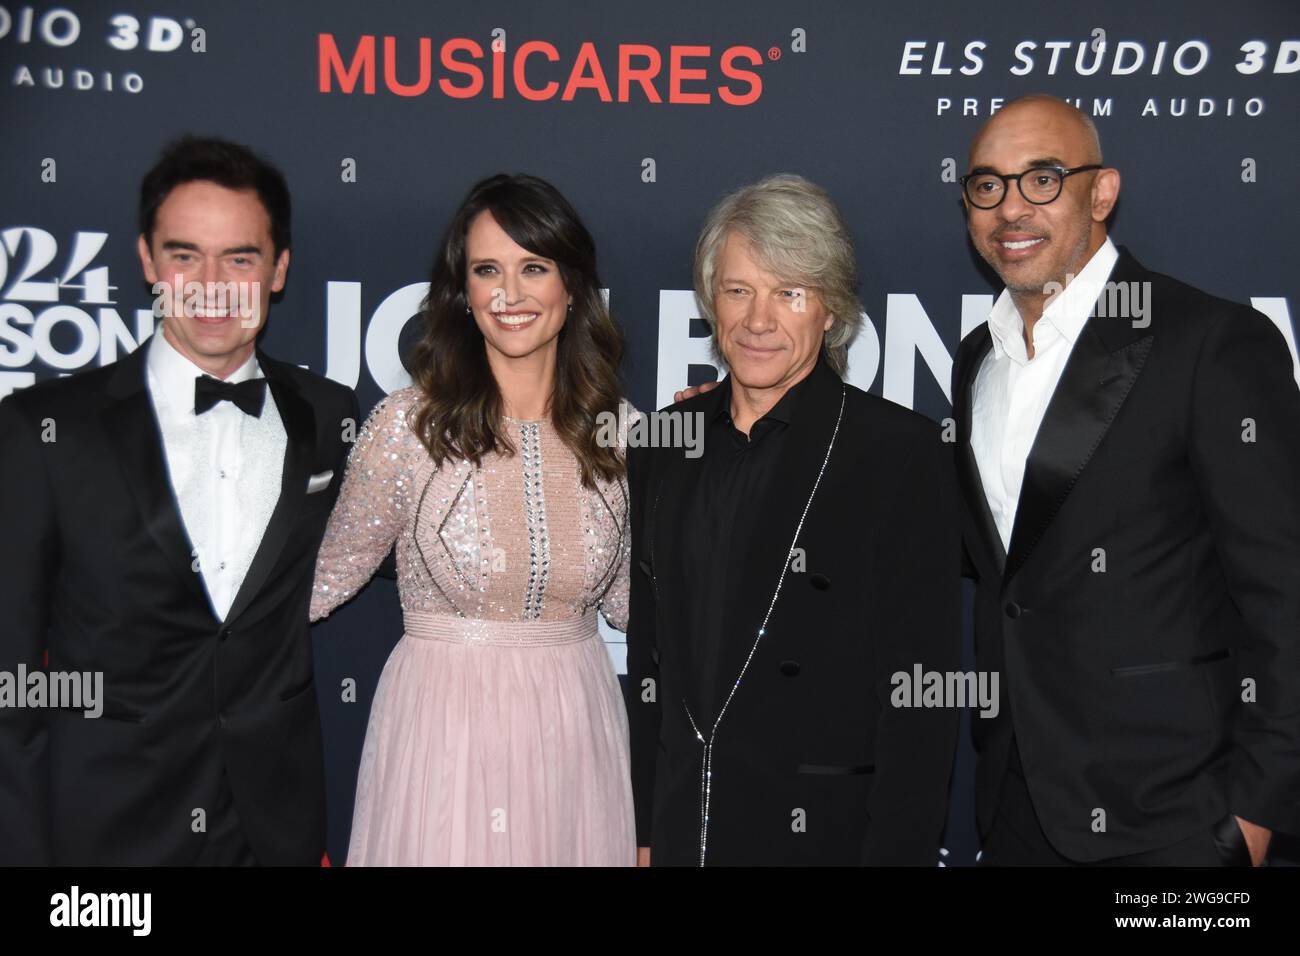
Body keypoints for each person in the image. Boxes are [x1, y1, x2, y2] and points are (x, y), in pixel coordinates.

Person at [952, 94, 1300, 865]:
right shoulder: (978, 356)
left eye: (1042, 179)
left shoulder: (1209, 343)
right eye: (987, 185)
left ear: (1101, 191)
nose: (1011, 208)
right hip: (1015, 806)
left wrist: (1252, 819)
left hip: (1176, 815)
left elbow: (1285, 592)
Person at [0, 136, 357, 865]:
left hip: (272, 829)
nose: (212, 284)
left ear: (279, 269)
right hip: (102, 832)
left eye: (241, 258)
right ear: (146, 262)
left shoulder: (329, 417)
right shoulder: (44, 429)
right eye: (185, 255)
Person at [629, 174, 962, 866]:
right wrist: (642, 830)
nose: (759, 320)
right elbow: (646, 659)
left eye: (791, 293)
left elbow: (920, 695)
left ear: (831, 312)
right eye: (739, 289)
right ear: (710, 302)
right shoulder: (664, 441)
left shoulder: (897, 453)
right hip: (682, 831)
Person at [310, 173, 636, 866]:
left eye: (534, 268)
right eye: (488, 270)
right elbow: (319, 581)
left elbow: (641, 605)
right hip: (443, 734)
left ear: (572, 285)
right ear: (463, 291)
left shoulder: (620, 434)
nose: (510, 294)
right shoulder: (410, 428)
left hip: (577, 731)